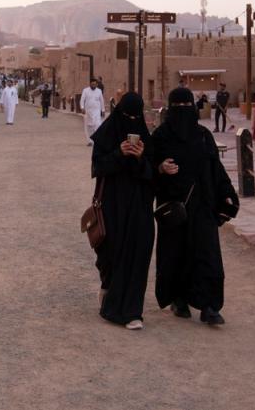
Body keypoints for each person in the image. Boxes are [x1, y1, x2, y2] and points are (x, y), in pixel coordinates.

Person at [151, 87, 240, 325]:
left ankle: (210, 305)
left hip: (202, 204)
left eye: (186, 107)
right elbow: (147, 169)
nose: (183, 112)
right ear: (170, 109)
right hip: (174, 206)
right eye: (178, 107)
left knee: (207, 254)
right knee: (176, 254)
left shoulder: (203, 135)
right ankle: (178, 299)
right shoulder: (160, 137)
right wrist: (160, 168)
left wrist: (227, 194)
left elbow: (215, 168)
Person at [91, 92, 154, 330]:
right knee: (112, 252)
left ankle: (131, 311)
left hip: (139, 206)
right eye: (127, 115)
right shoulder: (107, 134)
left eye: (135, 116)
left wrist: (140, 159)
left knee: (137, 254)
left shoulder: (147, 139)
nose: (131, 120)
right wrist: (119, 153)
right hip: (112, 204)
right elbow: (98, 167)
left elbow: (152, 174)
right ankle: (109, 288)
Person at [80, 78, 105, 146]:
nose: (93, 85)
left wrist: (103, 110)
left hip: (97, 111)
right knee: (89, 127)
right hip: (88, 112)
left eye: (95, 84)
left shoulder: (99, 91)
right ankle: (90, 141)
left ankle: (97, 140)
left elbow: (102, 101)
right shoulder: (85, 90)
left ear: (96, 84)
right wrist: (82, 108)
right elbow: (82, 100)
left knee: (97, 125)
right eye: (92, 84)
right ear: (90, 84)